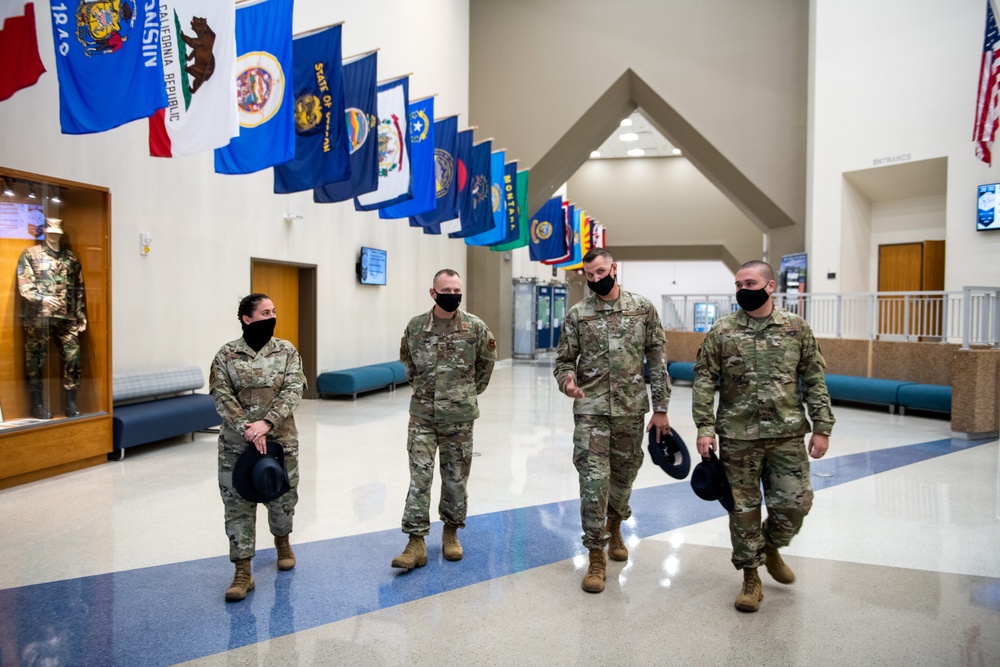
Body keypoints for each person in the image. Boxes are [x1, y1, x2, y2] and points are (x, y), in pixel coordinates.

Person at [692, 260, 835, 613]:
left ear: (770, 287)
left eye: (750, 282)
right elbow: (704, 380)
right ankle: (751, 577)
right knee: (743, 510)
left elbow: (815, 380)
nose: (742, 289)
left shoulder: (796, 328)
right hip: (738, 436)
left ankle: (770, 545)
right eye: (738, 283)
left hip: (787, 434)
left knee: (795, 504)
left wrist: (822, 426)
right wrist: (704, 427)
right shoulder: (722, 331)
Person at [554, 248, 671, 593]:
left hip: (632, 410)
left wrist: (660, 408)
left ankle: (616, 524)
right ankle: (595, 554)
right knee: (593, 481)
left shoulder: (642, 308)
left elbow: (658, 358)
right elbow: (563, 361)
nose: (595, 279)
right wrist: (567, 382)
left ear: (614, 268)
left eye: (600, 272)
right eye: (589, 275)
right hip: (591, 411)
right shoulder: (578, 314)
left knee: (624, 475)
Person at [392, 269, 497, 570]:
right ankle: (416, 542)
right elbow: (409, 366)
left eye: (456, 290)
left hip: (459, 418)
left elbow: (485, 367)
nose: (452, 294)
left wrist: (462, 394)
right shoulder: (415, 327)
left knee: (455, 479)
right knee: (420, 479)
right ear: (433, 292)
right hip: (422, 416)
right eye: (446, 289)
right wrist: (429, 394)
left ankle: (451, 532)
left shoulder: (475, 327)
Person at [210, 293, 306, 602]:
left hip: (279, 441)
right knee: (237, 505)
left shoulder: (286, 351)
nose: (272, 316)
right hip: (237, 446)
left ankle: (282, 540)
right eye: (265, 312)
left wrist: (267, 423)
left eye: (274, 311)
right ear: (246, 319)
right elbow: (222, 396)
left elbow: (294, 389)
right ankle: (242, 571)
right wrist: (247, 428)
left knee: (281, 499)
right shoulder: (225, 355)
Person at [16, 218, 87, 419]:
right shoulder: (31, 254)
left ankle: (70, 403)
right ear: (45, 231)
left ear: (61, 232)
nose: (53, 234)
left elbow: (78, 288)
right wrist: (43, 299)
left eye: (57, 231)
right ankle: (36, 405)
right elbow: (25, 285)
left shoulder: (71, 258)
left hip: (66, 318)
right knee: (35, 360)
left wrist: (81, 314)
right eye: (50, 230)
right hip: (38, 317)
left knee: (73, 357)